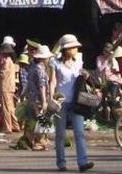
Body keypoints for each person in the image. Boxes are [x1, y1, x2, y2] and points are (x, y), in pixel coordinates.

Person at [50, 34, 94, 172]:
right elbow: (53, 82)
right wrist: (51, 98)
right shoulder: (55, 63)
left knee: (79, 132)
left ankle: (82, 162)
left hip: (76, 101)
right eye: (73, 47)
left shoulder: (78, 62)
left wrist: (86, 76)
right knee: (60, 134)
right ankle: (61, 162)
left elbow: (82, 79)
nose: (75, 49)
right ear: (66, 49)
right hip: (61, 101)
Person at [24, 44, 53, 152]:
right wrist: (44, 100)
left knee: (36, 120)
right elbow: (42, 86)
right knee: (41, 121)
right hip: (38, 98)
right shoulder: (40, 69)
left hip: (32, 98)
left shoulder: (33, 68)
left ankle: (37, 141)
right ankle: (38, 142)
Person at [0, 42, 20, 133]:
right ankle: (15, 125)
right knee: (10, 107)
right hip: (10, 86)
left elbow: (3, 74)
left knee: (6, 108)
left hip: (5, 86)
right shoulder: (10, 60)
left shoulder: (6, 61)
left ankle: (7, 127)